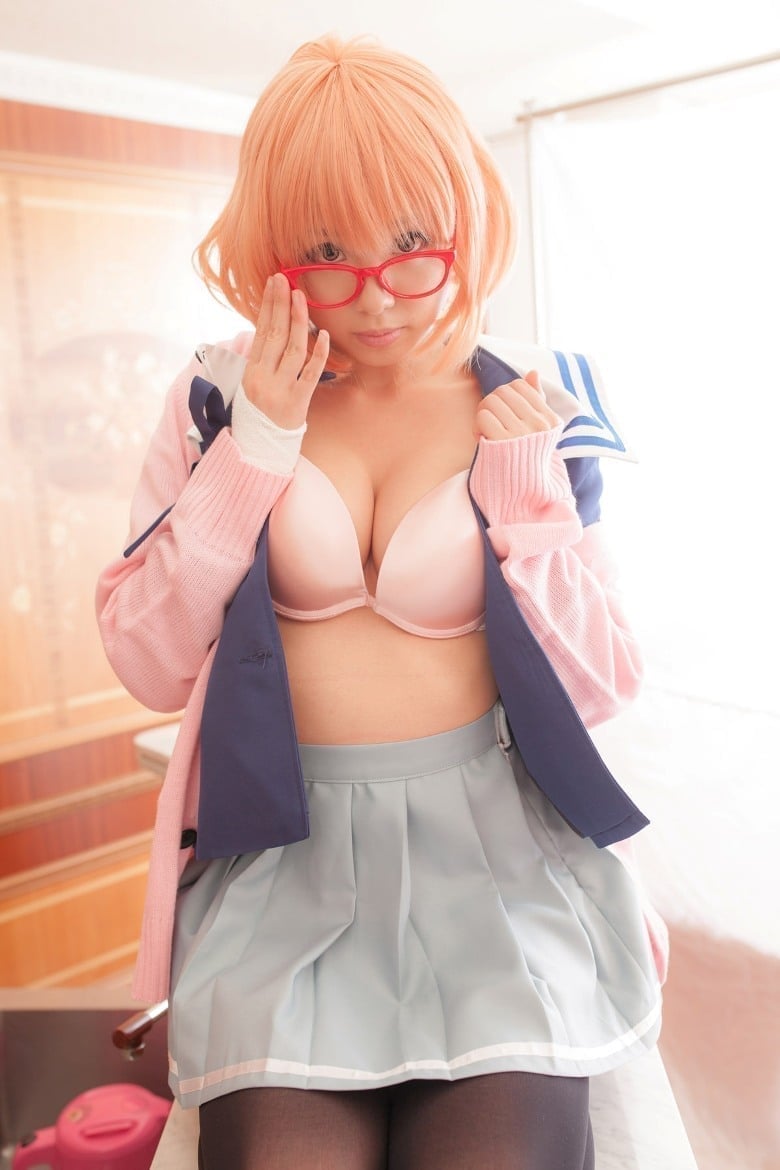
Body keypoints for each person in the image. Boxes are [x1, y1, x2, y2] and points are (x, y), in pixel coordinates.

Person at [96, 34, 667, 1170]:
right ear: (272, 249)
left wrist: (528, 507)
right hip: (285, 863)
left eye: (412, 246)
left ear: (465, 215)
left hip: (500, 864)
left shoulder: (541, 394)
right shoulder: (216, 399)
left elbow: (604, 684)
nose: (376, 298)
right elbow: (149, 663)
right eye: (325, 254)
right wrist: (255, 452)